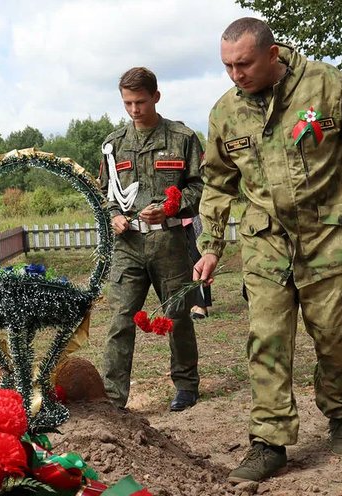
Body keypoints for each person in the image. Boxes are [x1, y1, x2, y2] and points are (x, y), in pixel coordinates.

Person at [194, 18, 342, 482]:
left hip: (330, 235)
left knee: (335, 337)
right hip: (265, 242)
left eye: (244, 64)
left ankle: (339, 414)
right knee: (266, 337)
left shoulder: (325, 84)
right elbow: (217, 183)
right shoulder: (225, 112)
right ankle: (268, 442)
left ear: (272, 55)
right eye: (227, 66)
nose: (236, 75)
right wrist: (210, 245)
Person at [100, 67, 203, 412]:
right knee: (120, 320)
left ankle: (186, 386)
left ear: (156, 97)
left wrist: (171, 208)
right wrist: (113, 214)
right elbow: (104, 193)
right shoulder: (113, 146)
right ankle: (113, 398)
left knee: (177, 316)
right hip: (128, 246)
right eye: (127, 103)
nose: (134, 110)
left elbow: (200, 186)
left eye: (140, 102)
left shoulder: (181, 138)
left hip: (168, 243)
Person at [182, 215, 213, 319]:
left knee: (198, 260)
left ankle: (202, 305)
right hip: (175, 224)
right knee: (185, 264)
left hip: (192, 221)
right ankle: (194, 303)